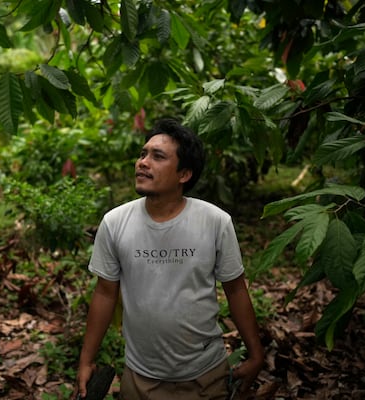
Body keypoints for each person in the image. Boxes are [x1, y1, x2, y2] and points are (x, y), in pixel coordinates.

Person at [75, 117, 264, 399]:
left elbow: (235, 288)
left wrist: (255, 354)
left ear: (184, 174)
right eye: (143, 154)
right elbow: (104, 293)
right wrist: (86, 360)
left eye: (157, 156)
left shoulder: (214, 221)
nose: (143, 162)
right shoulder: (115, 222)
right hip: (140, 378)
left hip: (206, 376)